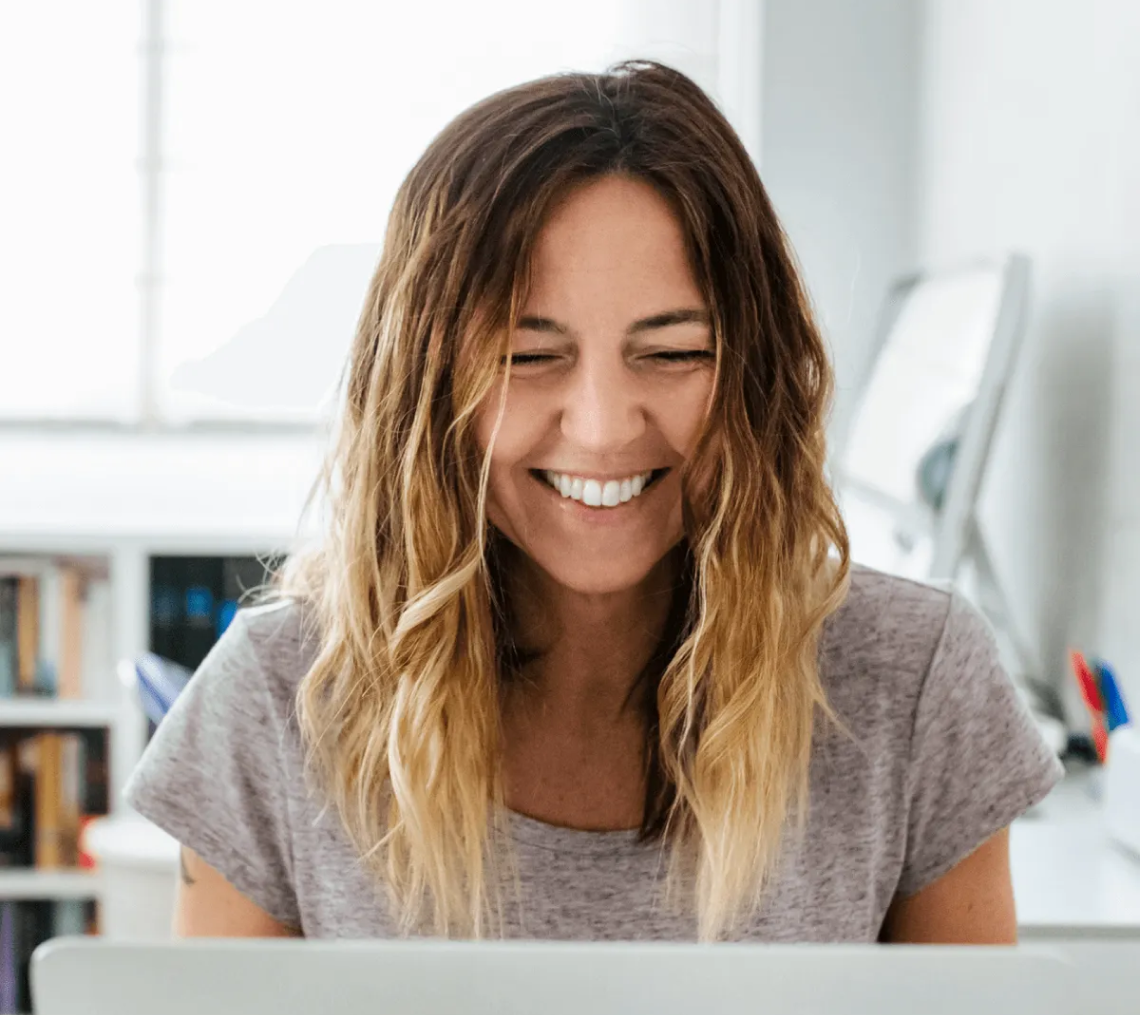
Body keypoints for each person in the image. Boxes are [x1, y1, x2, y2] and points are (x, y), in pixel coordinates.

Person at [124, 60, 1063, 944]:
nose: (606, 427)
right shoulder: (277, 695)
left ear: (754, 376)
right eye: (527, 357)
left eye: (673, 351)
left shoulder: (918, 682)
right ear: (422, 389)